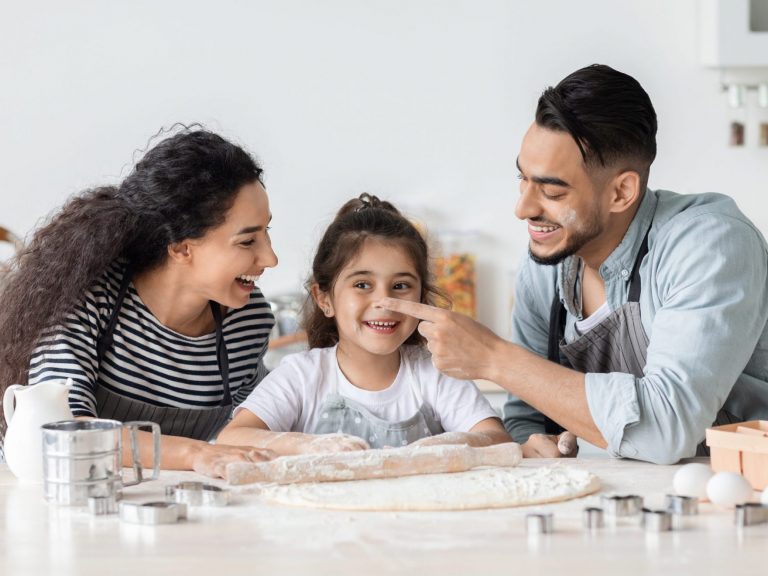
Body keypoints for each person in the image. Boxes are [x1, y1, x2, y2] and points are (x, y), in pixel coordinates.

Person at [379, 64, 768, 464]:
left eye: (551, 190)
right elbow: (527, 419)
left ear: (621, 192)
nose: (523, 208)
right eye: (523, 179)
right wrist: (534, 444)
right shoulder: (546, 269)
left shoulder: (709, 245)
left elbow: (668, 427)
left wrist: (493, 357)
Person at [0, 128, 279, 477]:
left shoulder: (247, 320)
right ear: (180, 247)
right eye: (248, 241)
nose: (270, 258)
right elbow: (65, 429)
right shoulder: (91, 296)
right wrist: (195, 454)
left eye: (267, 232)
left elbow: (252, 426)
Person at [218, 194, 511, 454]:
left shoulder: (435, 374)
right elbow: (232, 438)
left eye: (400, 285)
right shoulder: (302, 376)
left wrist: (448, 445)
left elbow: (496, 439)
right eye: (362, 284)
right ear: (324, 298)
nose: (384, 301)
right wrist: (307, 444)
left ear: (422, 295)